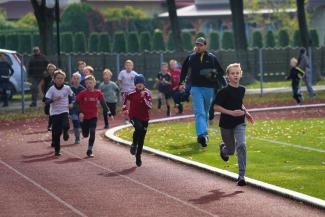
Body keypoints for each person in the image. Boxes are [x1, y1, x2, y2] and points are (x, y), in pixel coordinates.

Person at [179, 37, 227, 147]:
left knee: (205, 112)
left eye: (201, 45)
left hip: (209, 88)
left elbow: (220, 72)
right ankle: (201, 135)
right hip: (195, 88)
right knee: (199, 112)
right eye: (197, 45)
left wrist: (224, 85)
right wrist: (181, 83)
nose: (199, 47)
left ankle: (204, 134)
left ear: (205, 46)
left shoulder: (211, 58)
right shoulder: (191, 58)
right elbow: (184, 71)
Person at [214, 63, 254, 186]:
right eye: (232, 73)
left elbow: (239, 103)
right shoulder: (223, 91)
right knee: (231, 151)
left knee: (241, 144)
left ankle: (241, 176)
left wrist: (246, 113)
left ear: (240, 74)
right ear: (228, 76)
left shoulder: (242, 89)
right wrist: (231, 112)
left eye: (237, 73)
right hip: (226, 124)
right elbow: (216, 107)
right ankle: (224, 148)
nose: (235, 75)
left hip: (239, 122)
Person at [122, 74, 152, 167]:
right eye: (137, 83)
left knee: (142, 138)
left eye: (141, 83)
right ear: (135, 84)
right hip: (133, 116)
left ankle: (138, 156)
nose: (139, 84)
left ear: (144, 84)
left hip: (145, 118)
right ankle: (134, 144)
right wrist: (125, 109)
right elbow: (124, 97)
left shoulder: (148, 93)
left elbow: (150, 106)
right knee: (138, 128)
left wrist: (144, 98)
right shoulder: (131, 92)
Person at [76, 75, 109, 158]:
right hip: (84, 117)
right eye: (87, 83)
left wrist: (108, 112)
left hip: (93, 116)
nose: (88, 85)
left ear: (94, 83)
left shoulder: (98, 93)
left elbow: (103, 103)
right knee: (85, 135)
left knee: (93, 132)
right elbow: (77, 103)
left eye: (90, 83)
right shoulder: (82, 93)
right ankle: (81, 124)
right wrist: (80, 112)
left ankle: (89, 150)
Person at [44, 70, 73, 156]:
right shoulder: (51, 89)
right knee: (56, 133)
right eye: (58, 78)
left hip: (64, 110)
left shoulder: (67, 88)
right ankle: (57, 150)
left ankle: (66, 131)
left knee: (66, 124)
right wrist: (53, 99)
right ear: (54, 79)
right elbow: (46, 100)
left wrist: (71, 103)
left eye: (62, 78)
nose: (60, 80)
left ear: (64, 79)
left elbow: (72, 96)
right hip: (55, 113)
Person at [39, 63, 56, 131]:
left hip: (56, 96)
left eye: (52, 69)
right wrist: (42, 95)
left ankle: (52, 125)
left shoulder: (58, 77)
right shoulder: (46, 78)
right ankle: (50, 124)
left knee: (55, 111)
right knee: (49, 111)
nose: (51, 70)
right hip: (48, 97)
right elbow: (40, 86)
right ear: (48, 70)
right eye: (49, 69)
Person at [70, 72, 85, 144]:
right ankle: (77, 138)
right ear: (72, 79)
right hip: (73, 109)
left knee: (80, 122)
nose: (76, 80)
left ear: (80, 79)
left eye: (77, 78)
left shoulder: (83, 89)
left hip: (81, 109)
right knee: (75, 121)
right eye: (74, 78)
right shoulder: (69, 89)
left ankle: (79, 133)